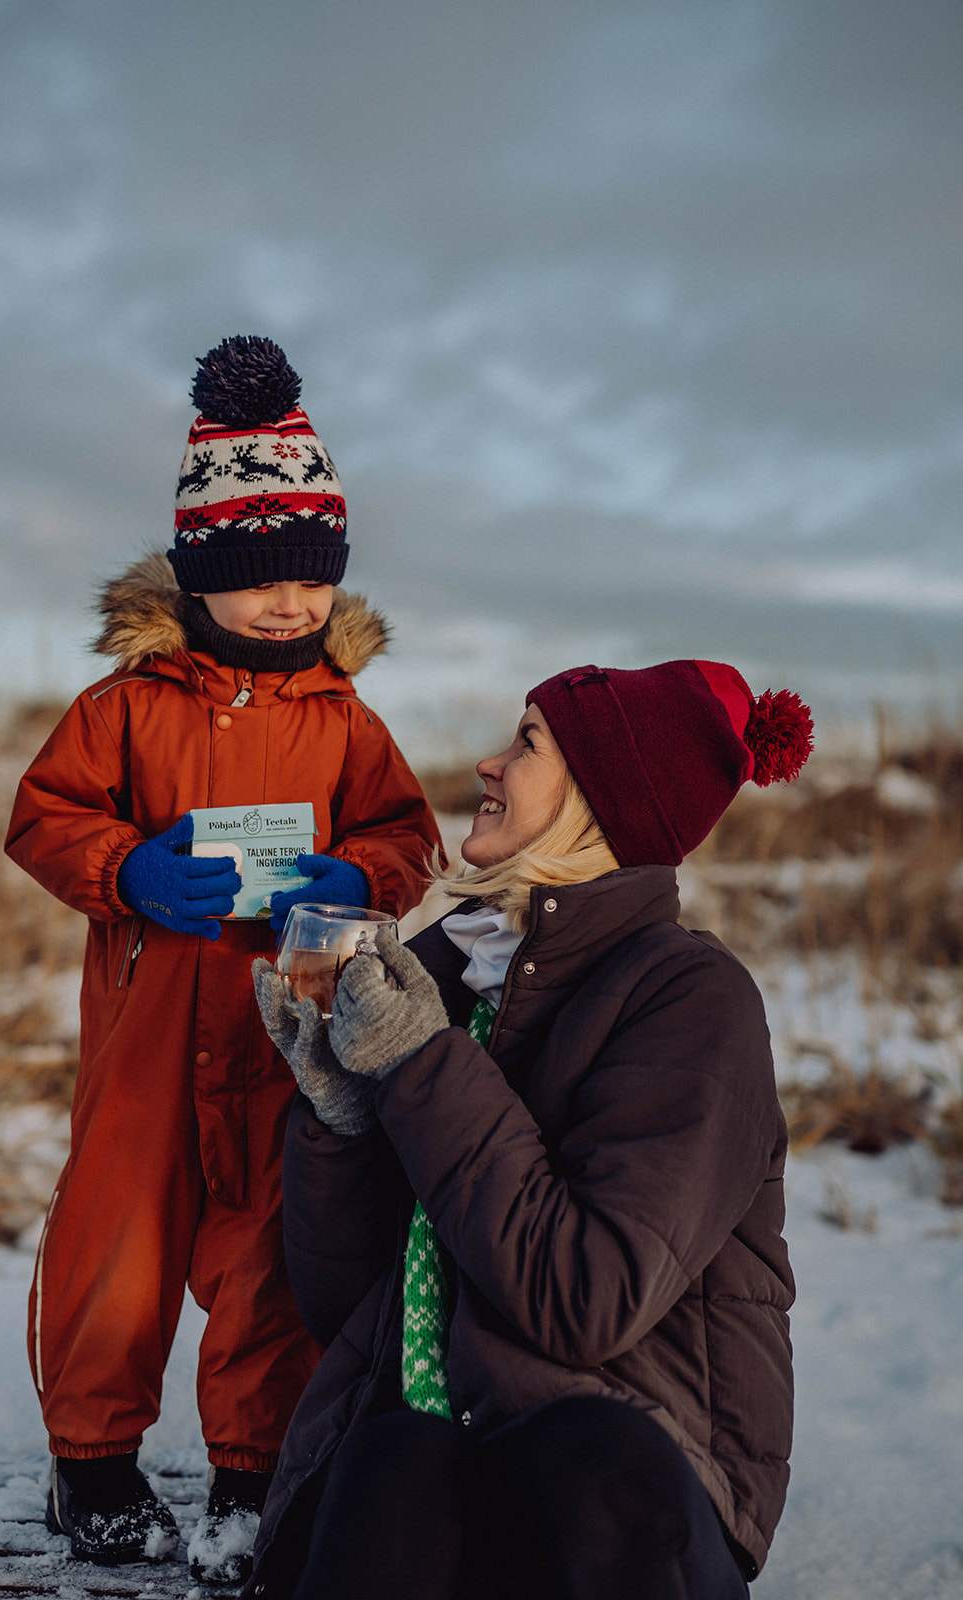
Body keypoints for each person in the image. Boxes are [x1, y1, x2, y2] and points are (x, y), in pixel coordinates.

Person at [5, 335, 441, 1583]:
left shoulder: (350, 723)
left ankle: (251, 1481)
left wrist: (357, 878)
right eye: (259, 582)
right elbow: (43, 815)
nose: (289, 606)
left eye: (310, 581)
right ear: (199, 578)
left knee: (268, 1259)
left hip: (279, 1040)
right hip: (145, 1045)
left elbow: (405, 837)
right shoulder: (123, 707)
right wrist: (127, 868)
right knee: (115, 1251)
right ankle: (90, 1464)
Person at [250, 658, 812, 1600]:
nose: (489, 764)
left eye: (529, 742)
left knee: (579, 1448)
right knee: (390, 1456)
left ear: (603, 797)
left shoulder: (688, 998)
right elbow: (345, 1307)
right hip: (435, 1454)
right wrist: (340, 1121)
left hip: (623, 1484)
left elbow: (585, 1299)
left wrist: (421, 1070)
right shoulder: (436, 974)